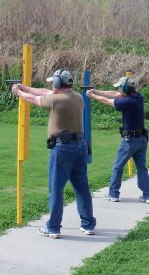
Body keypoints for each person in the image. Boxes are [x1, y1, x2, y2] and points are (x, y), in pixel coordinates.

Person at [11, 69, 96, 239]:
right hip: (80, 146)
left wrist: (18, 92)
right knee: (82, 188)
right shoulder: (77, 97)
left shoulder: (56, 100)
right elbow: (44, 92)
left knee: (56, 189)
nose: (52, 85)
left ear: (58, 83)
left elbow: (34, 98)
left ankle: (53, 227)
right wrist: (25, 87)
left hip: (63, 149)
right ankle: (88, 224)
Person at [86, 77, 149, 204]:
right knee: (142, 168)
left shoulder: (126, 102)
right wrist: (96, 91)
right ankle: (148, 195)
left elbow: (107, 101)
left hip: (130, 141)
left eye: (120, 87)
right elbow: (114, 94)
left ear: (124, 88)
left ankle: (113, 193)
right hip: (141, 139)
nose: (118, 89)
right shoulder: (138, 96)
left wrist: (92, 96)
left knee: (118, 167)